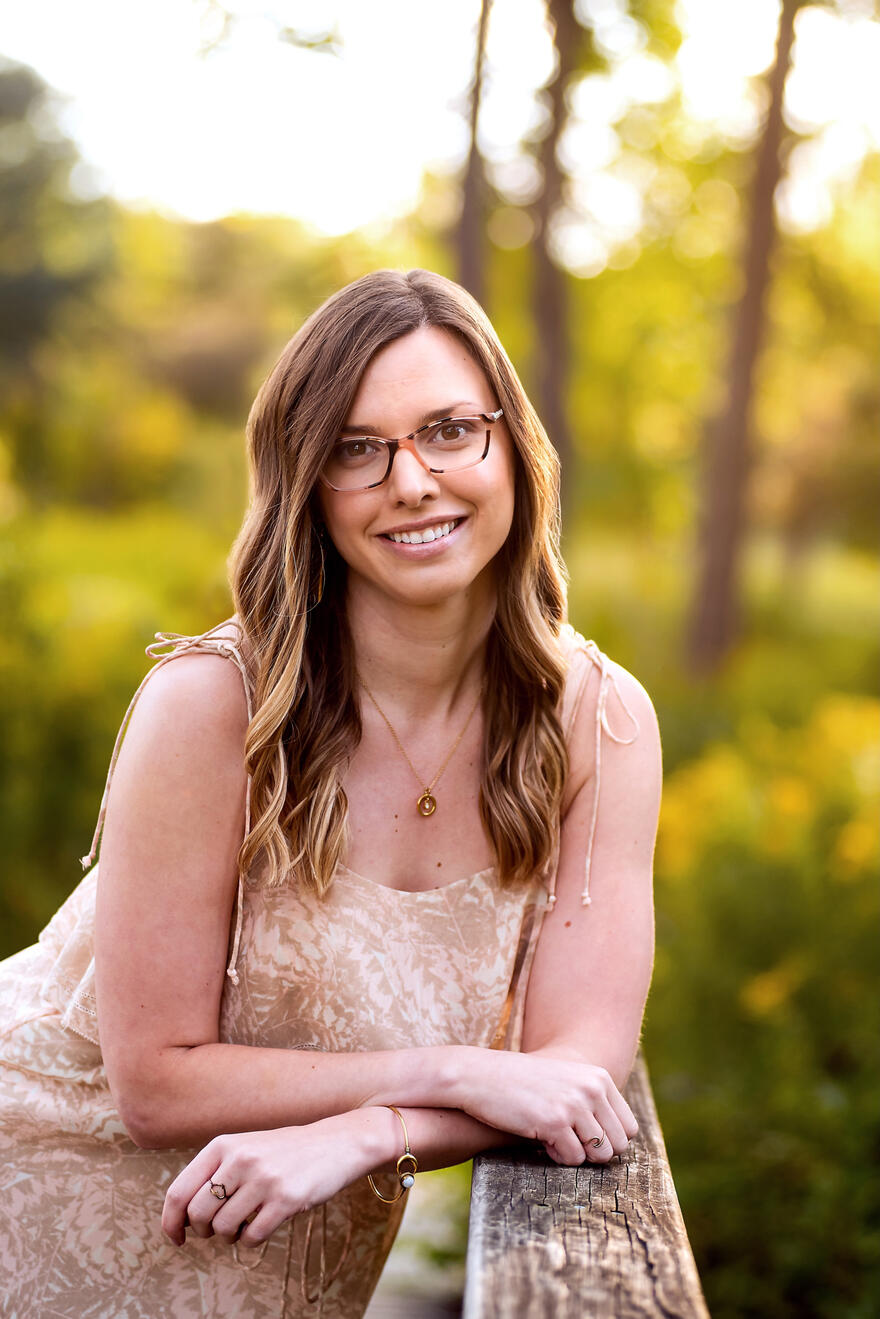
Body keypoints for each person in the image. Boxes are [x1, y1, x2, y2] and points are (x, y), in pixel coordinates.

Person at [0, 268, 661, 1318]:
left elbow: (577, 1068)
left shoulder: (598, 722)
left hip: (284, 1262)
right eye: (358, 449)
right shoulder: (215, 703)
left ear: (511, 447)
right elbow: (156, 1081)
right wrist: (457, 1071)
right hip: (33, 1203)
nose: (413, 481)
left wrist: (372, 1132)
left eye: (450, 430)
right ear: (308, 484)